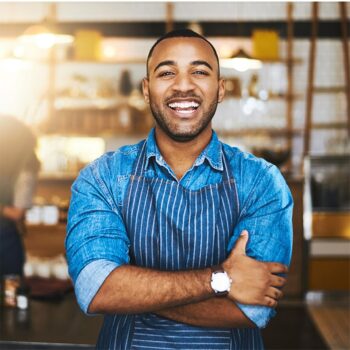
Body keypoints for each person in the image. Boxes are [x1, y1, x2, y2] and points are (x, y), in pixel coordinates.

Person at [66, 29, 293, 349]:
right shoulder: (103, 177)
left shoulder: (261, 181)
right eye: (167, 72)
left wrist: (130, 289)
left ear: (220, 89)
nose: (183, 85)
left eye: (199, 72)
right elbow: (95, 288)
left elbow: (252, 309)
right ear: (147, 90)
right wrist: (221, 279)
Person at [0, 115, 40, 277]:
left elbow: (16, 213)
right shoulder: (26, 167)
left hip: (5, 241)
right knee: (11, 295)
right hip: (7, 243)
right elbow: (18, 212)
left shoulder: (25, 168)